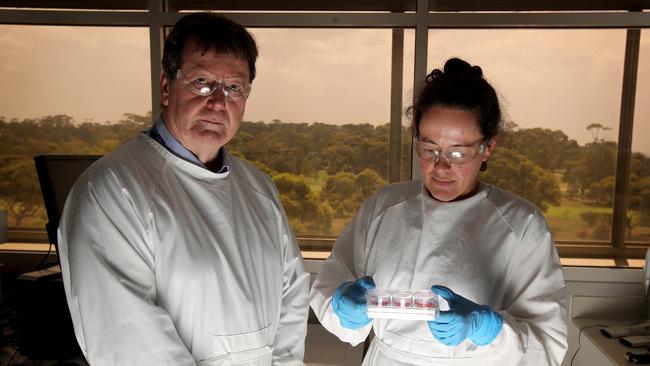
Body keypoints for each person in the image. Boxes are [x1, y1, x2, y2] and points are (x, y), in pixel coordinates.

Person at [58, 12, 309, 365]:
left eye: (234, 88)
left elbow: (293, 298)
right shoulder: (114, 189)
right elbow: (128, 338)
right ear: (165, 87)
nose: (218, 102)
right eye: (202, 82)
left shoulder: (259, 189)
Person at [310, 57, 567, 365]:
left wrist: (488, 331)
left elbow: (548, 348)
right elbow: (328, 290)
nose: (441, 167)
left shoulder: (521, 224)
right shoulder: (382, 208)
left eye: (458, 152)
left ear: (488, 146)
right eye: (429, 149)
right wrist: (343, 311)